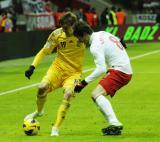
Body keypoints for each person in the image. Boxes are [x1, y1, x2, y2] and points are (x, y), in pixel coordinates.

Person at [24, 12, 85, 136]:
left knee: (68, 94)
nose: (63, 30)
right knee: (41, 88)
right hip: (57, 69)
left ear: (74, 25)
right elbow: (44, 51)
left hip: (74, 74)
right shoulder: (57, 34)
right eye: (62, 27)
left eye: (66, 28)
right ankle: (39, 111)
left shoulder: (83, 33)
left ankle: (55, 128)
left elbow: (101, 38)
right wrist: (32, 66)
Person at [73, 21, 132, 135]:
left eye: (80, 38)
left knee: (96, 94)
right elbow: (118, 40)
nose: (80, 41)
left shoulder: (95, 46)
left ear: (85, 34)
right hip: (123, 68)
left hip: (120, 70)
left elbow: (101, 69)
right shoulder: (102, 33)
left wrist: (83, 83)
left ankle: (114, 122)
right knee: (95, 95)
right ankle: (113, 123)